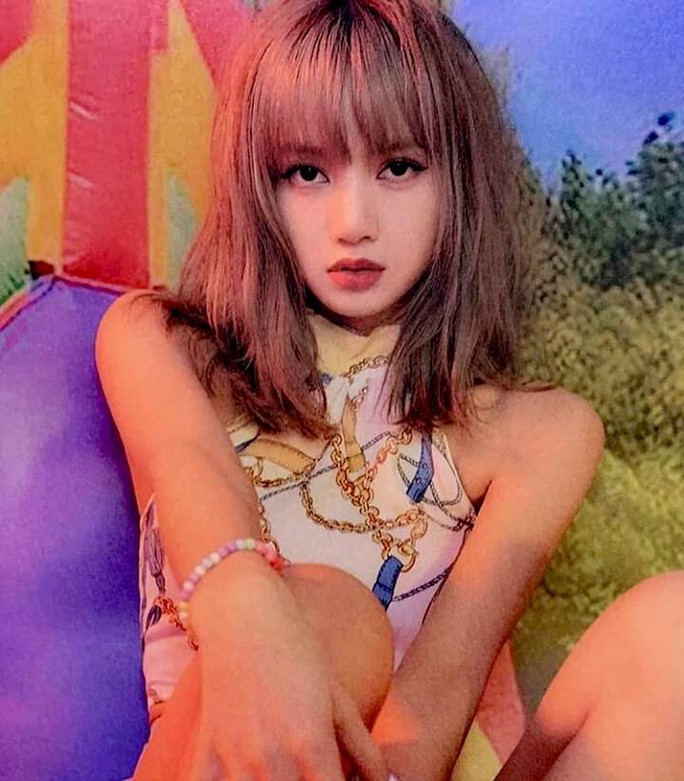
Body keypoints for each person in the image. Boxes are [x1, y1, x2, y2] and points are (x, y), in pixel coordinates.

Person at [95, 0, 684, 779]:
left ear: (459, 180)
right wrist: (248, 606)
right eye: (307, 172)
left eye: (399, 167)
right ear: (258, 187)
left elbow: (437, 696)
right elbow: (191, 467)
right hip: (209, 758)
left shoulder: (538, 433)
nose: (353, 221)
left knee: (673, 632)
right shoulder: (161, 342)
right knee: (327, 610)